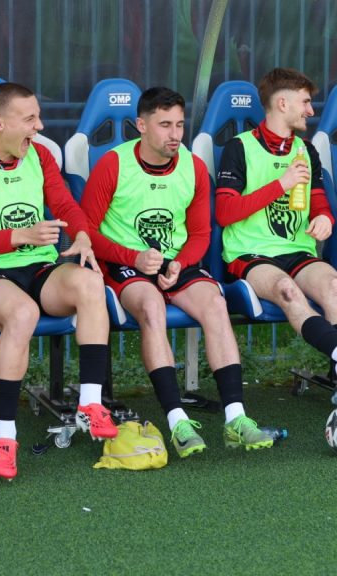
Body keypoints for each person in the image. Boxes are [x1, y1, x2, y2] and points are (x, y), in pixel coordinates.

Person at [82, 86, 274, 457]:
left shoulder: (194, 166)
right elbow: (85, 232)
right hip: (125, 265)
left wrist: (180, 264)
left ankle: (236, 418)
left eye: (180, 125)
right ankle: (177, 421)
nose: (175, 134)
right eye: (165, 125)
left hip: (176, 263)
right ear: (141, 125)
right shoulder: (113, 164)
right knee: (151, 306)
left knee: (215, 303)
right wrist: (133, 257)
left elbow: (200, 233)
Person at [0, 82, 116, 481]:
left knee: (91, 284)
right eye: (30, 119)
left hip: (36, 264)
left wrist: (82, 235)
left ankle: (90, 403)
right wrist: (23, 235)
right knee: (23, 313)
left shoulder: (39, 154)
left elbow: (66, 204)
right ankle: (2, 438)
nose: (40, 126)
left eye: (38, 117)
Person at [215, 67, 337, 399]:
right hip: (250, 253)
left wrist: (324, 219)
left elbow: (320, 204)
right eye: (305, 102)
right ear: (282, 104)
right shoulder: (238, 148)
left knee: (335, 287)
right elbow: (225, 213)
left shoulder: (307, 150)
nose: (311, 111)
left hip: (298, 250)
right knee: (287, 290)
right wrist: (280, 184)